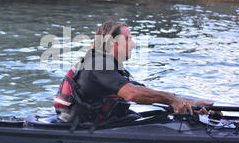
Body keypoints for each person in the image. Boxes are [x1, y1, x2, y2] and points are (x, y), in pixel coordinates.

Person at [53, 20, 214, 123]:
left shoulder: (112, 68)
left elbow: (144, 92)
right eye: (128, 39)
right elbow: (132, 94)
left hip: (96, 124)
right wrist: (173, 100)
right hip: (79, 130)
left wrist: (191, 103)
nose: (134, 45)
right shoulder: (98, 64)